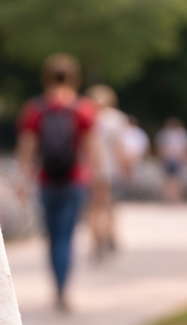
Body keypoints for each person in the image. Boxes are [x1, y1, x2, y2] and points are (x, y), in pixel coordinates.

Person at [17, 54, 99, 310]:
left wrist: (22, 179)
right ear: (75, 78)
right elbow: (90, 148)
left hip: (46, 181)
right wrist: (96, 178)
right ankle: (63, 289)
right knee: (67, 236)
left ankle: (57, 285)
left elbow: (27, 148)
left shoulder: (36, 108)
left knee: (53, 237)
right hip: (74, 180)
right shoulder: (83, 109)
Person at [87, 84, 126, 258]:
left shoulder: (87, 117)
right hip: (110, 169)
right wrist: (125, 167)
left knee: (93, 208)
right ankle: (109, 235)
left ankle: (96, 240)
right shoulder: (116, 119)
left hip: (90, 169)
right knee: (109, 205)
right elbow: (120, 147)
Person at [155, 117, 187, 202]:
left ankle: (171, 198)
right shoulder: (182, 133)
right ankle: (174, 198)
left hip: (176, 159)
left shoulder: (165, 133)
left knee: (172, 180)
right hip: (170, 159)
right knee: (174, 180)